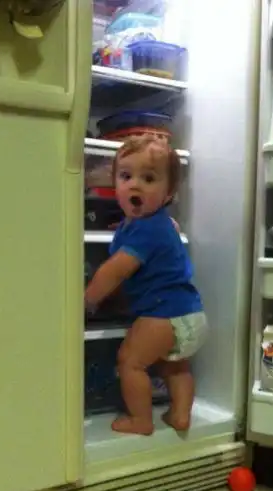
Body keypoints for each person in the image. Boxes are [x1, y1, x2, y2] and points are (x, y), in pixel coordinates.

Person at [85, 135, 207, 436]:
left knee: (130, 362)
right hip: (190, 313)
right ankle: (180, 414)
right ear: (114, 183)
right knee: (174, 366)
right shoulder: (157, 223)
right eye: (126, 176)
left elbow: (114, 271)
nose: (135, 185)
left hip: (162, 314)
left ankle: (141, 420)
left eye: (149, 178)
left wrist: (88, 298)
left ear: (169, 193)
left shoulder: (145, 230)